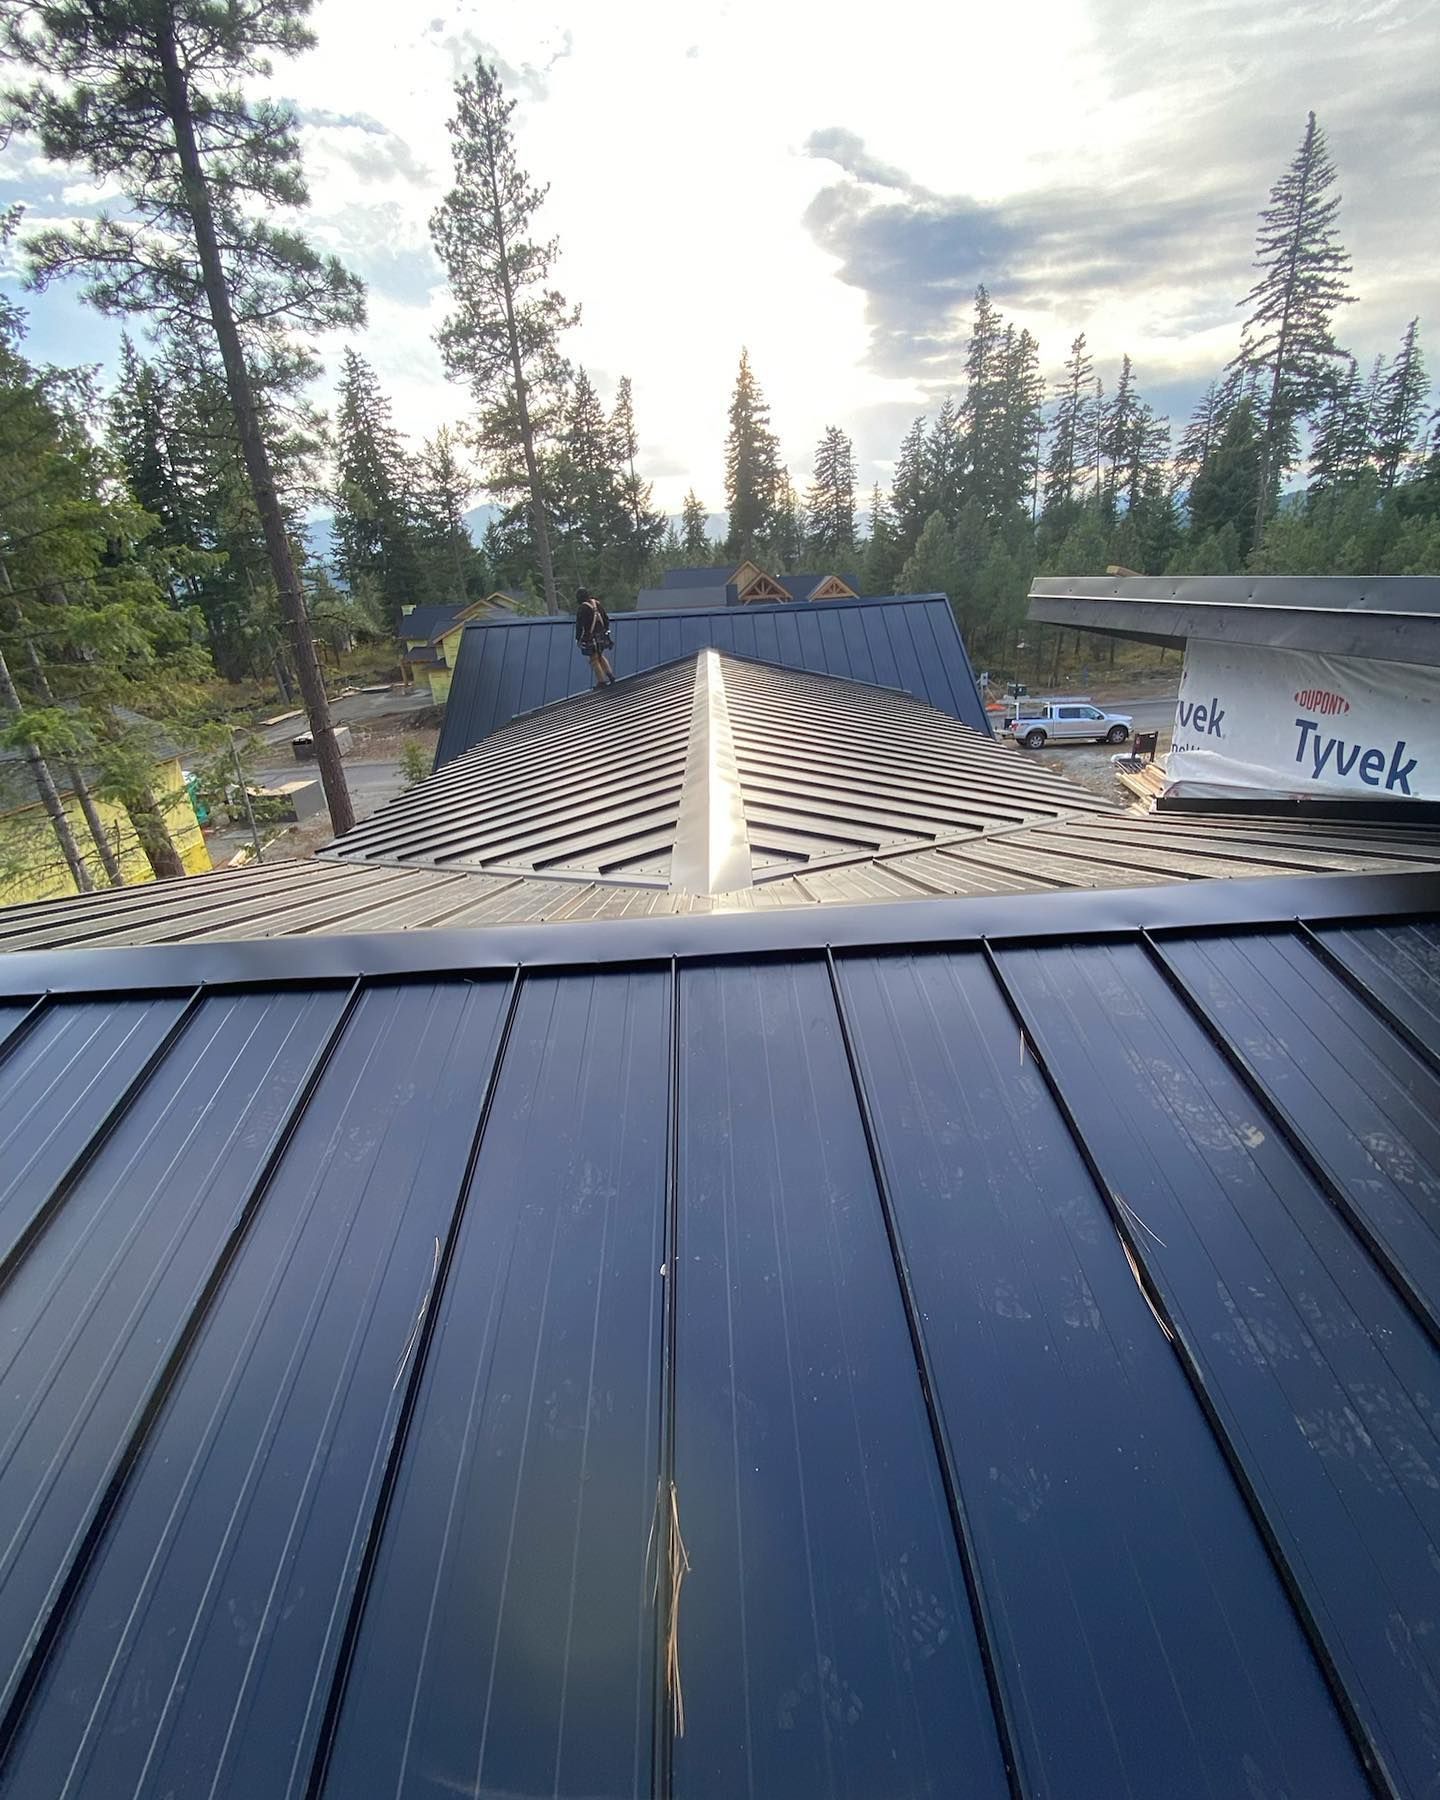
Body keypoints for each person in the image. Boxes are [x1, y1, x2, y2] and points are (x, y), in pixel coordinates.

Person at [575, 587, 615, 687]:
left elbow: (579, 626)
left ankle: (601, 681)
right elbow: (606, 619)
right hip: (601, 635)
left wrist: (578, 638)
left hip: (590, 637)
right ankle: (610, 674)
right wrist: (605, 631)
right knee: (601, 655)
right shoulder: (597, 604)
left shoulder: (582, 609)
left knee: (593, 659)